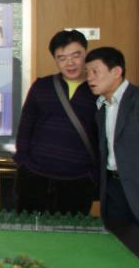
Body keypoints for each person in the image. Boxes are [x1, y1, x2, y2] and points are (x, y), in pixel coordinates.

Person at [13, 30, 98, 215]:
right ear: (55, 60)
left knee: (70, 231)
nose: (70, 63)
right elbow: (25, 128)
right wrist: (23, 162)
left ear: (86, 54)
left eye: (76, 55)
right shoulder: (41, 86)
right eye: (62, 58)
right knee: (28, 228)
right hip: (34, 176)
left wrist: (93, 174)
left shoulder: (97, 90)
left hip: (78, 180)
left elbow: (103, 137)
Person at [86, 47, 139, 258]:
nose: (89, 78)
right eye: (87, 73)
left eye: (95, 72)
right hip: (113, 188)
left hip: (136, 187)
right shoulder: (101, 108)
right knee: (120, 251)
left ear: (116, 71)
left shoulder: (138, 100)